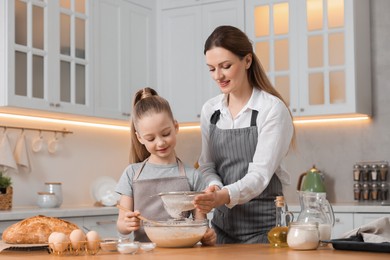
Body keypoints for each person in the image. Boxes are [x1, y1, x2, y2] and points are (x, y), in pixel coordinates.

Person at [193, 25, 294, 244]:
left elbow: (259, 176)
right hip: (221, 230)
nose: (218, 76)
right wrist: (214, 188)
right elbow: (207, 165)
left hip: (265, 231)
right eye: (211, 69)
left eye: (225, 66)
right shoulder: (210, 111)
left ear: (247, 61)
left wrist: (222, 196)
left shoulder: (272, 110)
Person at [115, 87, 216, 245]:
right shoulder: (131, 173)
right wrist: (127, 224)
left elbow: (200, 224)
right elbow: (121, 224)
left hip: (183, 253)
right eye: (150, 138)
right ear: (140, 138)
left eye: (166, 134)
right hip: (144, 254)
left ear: (176, 127)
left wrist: (207, 236)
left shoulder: (193, 175)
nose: (160, 142)